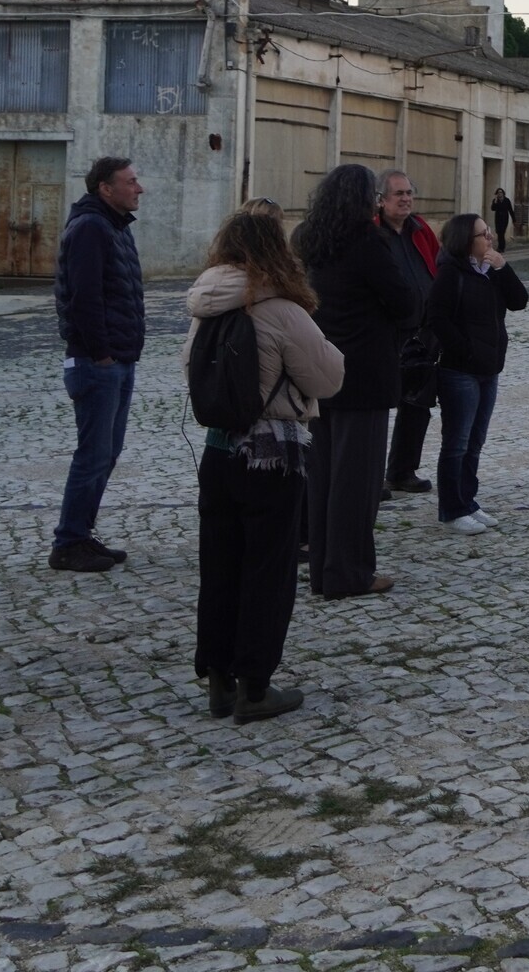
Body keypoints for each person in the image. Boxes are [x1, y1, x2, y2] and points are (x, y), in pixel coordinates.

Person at [186, 205, 345, 722]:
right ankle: (254, 687)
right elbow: (328, 378)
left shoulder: (204, 306)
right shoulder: (280, 308)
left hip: (218, 450)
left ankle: (218, 679)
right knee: (267, 571)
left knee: (220, 566)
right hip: (271, 454)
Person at [293, 164, 419, 599]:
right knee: (357, 482)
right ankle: (348, 573)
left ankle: (326, 569)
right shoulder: (367, 242)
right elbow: (404, 301)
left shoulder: (313, 240)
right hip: (363, 372)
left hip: (322, 367)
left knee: (324, 478)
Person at [50, 156, 146, 573]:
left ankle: (81, 534)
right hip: (97, 362)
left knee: (107, 452)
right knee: (93, 454)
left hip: (118, 358)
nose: (139, 188)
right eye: (131, 181)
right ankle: (69, 542)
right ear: (106, 189)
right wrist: (102, 352)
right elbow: (83, 297)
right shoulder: (91, 227)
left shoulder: (114, 226)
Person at [424, 212, 529, 533]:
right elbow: (437, 318)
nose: (490, 237)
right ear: (465, 242)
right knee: (456, 443)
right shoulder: (450, 273)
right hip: (460, 371)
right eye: (483, 234)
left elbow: (519, 301)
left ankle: (468, 501)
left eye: (488, 232)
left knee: (475, 441)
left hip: (489, 368)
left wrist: (503, 268)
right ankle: (452, 509)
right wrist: (465, 350)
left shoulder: (490, 270)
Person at [377, 172, 442, 499]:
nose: (405, 199)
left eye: (408, 193)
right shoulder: (373, 233)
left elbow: (436, 264)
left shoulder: (420, 229)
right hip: (385, 331)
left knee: (417, 403)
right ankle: (369, 475)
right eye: (399, 194)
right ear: (381, 199)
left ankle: (402, 471)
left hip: (422, 330)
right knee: (376, 406)